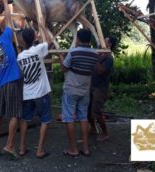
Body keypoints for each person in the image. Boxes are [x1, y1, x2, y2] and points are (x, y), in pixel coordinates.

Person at [0, 0, 23, 160]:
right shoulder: (6, 37)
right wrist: (4, 1)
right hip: (12, 82)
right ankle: (9, 145)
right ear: (0, 31)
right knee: (15, 114)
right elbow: (9, 18)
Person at [60, 29, 99, 157]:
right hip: (85, 90)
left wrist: (61, 57)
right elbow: (95, 69)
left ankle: (73, 149)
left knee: (69, 118)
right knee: (83, 118)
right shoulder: (94, 54)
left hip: (71, 89)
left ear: (79, 39)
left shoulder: (73, 52)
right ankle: (86, 149)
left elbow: (63, 68)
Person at [17, 28, 52, 159]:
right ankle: (40, 150)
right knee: (45, 120)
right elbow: (50, 42)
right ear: (33, 38)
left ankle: (21, 148)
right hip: (41, 92)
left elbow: (22, 73)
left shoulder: (19, 56)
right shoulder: (39, 49)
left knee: (25, 119)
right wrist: (43, 28)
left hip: (28, 93)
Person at [88, 36, 116, 142]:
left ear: (109, 45)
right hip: (92, 85)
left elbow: (101, 71)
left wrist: (95, 59)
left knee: (97, 111)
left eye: (105, 40)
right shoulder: (99, 54)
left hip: (100, 88)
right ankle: (93, 129)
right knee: (87, 110)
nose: (102, 41)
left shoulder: (108, 58)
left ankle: (105, 133)